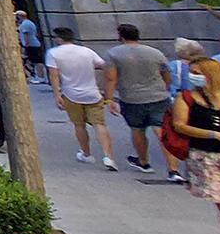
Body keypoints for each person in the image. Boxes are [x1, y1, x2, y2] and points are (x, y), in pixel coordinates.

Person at [172, 58, 220, 234]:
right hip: (208, 159)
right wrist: (216, 134)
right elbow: (179, 125)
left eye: (198, 72)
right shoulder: (187, 98)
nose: (193, 76)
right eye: (192, 72)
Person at [104, 23, 182, 180]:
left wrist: (109, 99)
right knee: (162, 132)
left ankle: (144, 162)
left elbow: (111, 78)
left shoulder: (113, 54)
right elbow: (166, 73)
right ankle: (173, 170)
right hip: (158, 96)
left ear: (121, 36)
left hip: (131, 98)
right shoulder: (155, 52)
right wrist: (164, 87)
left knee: (137, 129)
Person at [45, 26, 118, 170]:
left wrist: (57, 94)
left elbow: (53, 74)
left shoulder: (53, 53)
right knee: (99, 124)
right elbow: (104, 66)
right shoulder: (87, 51)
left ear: (59, 38)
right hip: (92, 92)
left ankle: (86, 153)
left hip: (71, 93)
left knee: (79, 125)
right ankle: (108, 156)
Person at [17, 10, 45, 83]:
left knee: (36, 61)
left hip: (31, 45)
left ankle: (40, 76)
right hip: (31, 44)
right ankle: (35, 75)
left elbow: (26, 35)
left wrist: (25, 46)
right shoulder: (27, 23)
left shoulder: (25, 24)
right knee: (32, 61)